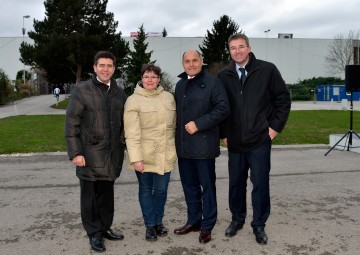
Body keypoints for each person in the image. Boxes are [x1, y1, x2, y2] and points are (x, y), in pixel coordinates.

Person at [218, 33, 291, 245]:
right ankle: (237, 220)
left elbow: (283, 99)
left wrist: (275, 127)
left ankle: (259, 225)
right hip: (235, 142)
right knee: (236, 185)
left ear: (249, 48)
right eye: (233, 48)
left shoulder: (267, 70)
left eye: (241, 47)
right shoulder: (224, 75)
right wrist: (223, 133)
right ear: (229, 51)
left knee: (260, 184)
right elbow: (221, 107)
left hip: (260, 139)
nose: (237, 51)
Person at [65, 51, 126, 253]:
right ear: (94, 67)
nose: (105, 69)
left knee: (106, 196)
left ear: (114, 68)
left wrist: (123, 144)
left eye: (109, 65)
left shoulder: (119, 92)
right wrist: (76, 153)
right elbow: (72, 124)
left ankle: (105, 228)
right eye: (102, 65)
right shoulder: (81, 91)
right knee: (90, 198)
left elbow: (124, 124)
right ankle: (94, 234)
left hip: (111, 155)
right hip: (89, 155)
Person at [174, 49, 230, 244]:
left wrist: (199, 123)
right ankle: (194, 221)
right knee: (189, 188)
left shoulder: (213, 83)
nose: (191, 64)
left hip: (204, 147)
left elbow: (223, 109)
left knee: (207, 188)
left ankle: (207, 226)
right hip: (183, 148)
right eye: (187, 61)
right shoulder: (180, 85)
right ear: (183, 64)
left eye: (195, 60)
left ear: (202, 61)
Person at [124, 64, 176, 242]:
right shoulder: (133, 100)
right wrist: (136, 158)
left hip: (166, 153)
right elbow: (131, 132)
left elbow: (173, 127)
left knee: (161, 190)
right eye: (146, 76)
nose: (150, 80)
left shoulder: (168, 97)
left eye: (154, 76)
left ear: (159, 79)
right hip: (144, 156)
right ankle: (149, 225)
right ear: (141, 78)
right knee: (146, 189)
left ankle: (158, 222)